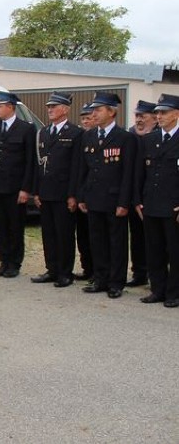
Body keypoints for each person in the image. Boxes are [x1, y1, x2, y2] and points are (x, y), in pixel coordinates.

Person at [78, 91, 137, 299]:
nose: (94, 113)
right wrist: (82, 196)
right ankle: (100, 278)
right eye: (93, 109)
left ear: (111, 112)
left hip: (114, 200)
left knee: (116, 242)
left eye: (99, 109)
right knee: (97, 241)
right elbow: (84, 170)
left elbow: (128, 173)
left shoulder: (125, 138)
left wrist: (124, 202)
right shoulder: (89, 135)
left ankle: (116, 282)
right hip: (93, 198)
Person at [0, 91, 36, 279]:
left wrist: (26, 189)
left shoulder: (26, 129)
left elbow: (30, 161)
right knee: (1, 226)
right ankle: (4, 261)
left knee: (15, 227)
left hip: (15, 187)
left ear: (11, 107)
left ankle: (15, 263)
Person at [31, 92, 83, 288]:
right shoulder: (43, 132)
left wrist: (73, 195)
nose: (50, 110)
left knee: (64, 234)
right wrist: (37, 191)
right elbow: (39, 164)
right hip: (46, 191)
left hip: (63, 193)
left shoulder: (75, 133)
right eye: (49, 107)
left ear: (66, 109)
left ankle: (64, 272)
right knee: (49, 234)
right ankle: (51, 269)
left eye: (54, 106)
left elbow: (76, 167)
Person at [134, 94, 179, 308]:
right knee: (154, 250)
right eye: (158, 112)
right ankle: (157, 290)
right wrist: (138, 200)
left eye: (164, 112)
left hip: (173, 206)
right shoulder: (150, 139)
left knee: (175, 251)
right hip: (150, 204)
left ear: (176, 114)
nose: (159, 116)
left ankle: (174, 292)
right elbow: (140, 173)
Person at [126, 100, 158, 287]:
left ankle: (159, 276)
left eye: (142, 116)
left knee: (156, 240)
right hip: (133, 196)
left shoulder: (158, 137)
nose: (138, 120)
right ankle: (139, 273)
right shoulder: (131, 135)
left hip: (154, 196)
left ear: (154, 118)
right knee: (136, 237)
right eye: (137, 116)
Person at [73, 103, 95, 282]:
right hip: (82, 194)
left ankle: (98, 271)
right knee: (82, 236)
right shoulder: (80, 137)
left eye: (89, 118)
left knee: (96, 236)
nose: (86, 121)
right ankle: (87, 268)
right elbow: (77, 169)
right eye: (84, 118)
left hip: (97, 196)